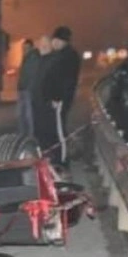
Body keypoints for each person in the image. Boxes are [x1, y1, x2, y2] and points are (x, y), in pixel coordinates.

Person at [38, 26, 81, 168]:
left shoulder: (67, 57)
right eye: (54, 40)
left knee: (59, 130)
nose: (54, 43)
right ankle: (57, 157)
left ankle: (62, 160)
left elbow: (65, 80)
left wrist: (57, 97)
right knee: (54, 129)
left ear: (64, 41)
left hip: (60, 100)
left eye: (57, 41)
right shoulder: (60, 55)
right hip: (55, 99)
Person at [17, 38, 41, 136]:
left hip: (28, 90)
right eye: (23, 48)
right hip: (22, 89)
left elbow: (33, 74)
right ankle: (23, 133)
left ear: (31, 47)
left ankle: (31, 134)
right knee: (21, 114)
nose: (24, 50)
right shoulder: (26, 58)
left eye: (26, 48)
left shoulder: (33, 57)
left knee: (28, 114)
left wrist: (30, 88)